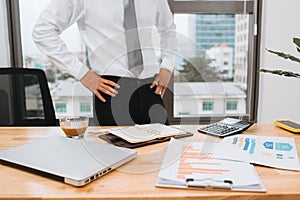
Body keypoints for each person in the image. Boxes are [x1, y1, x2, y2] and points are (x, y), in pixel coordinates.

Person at [32, 0, 177, 126]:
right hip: (111, 89)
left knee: (162, 152)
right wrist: (82, 73)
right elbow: (42, 31)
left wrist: (167, 67)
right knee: (116, 154)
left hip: (150, 86)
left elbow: (168, 29)